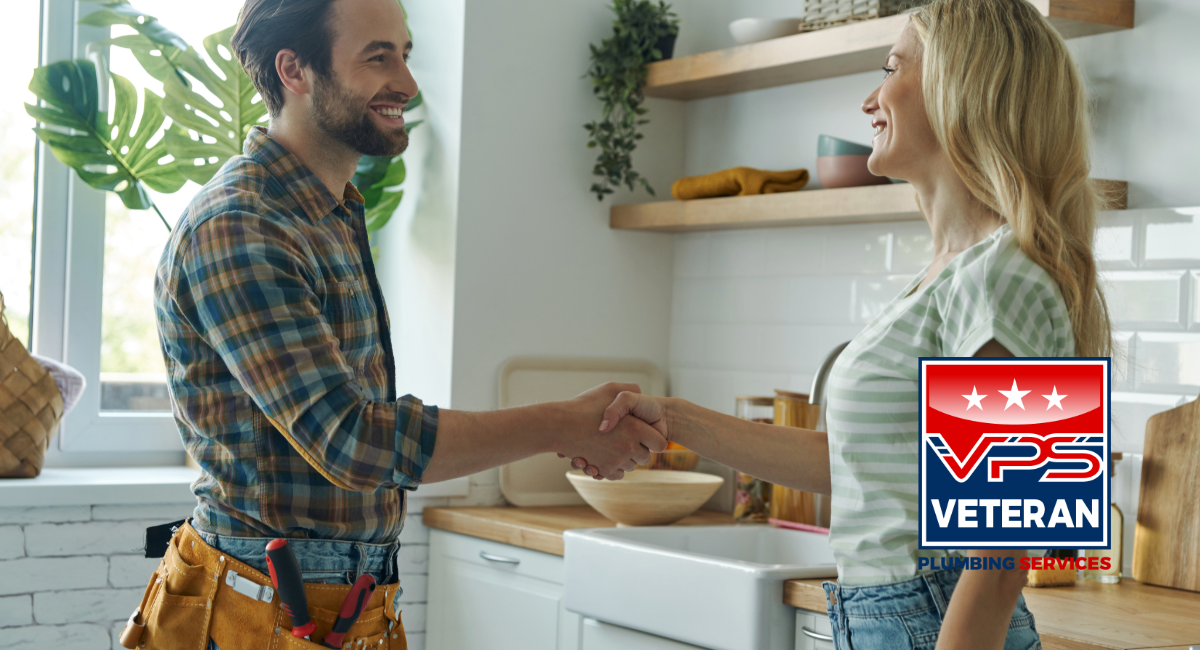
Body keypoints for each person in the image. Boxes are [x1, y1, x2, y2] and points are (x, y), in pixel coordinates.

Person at [582, 1, 1113, 649]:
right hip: (894, 612)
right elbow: (857, 464)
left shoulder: (1000, 275)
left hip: (935, 621)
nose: (869, 99)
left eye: (892, 68)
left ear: (963, 86)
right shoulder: (949, 276)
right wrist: (675, 419)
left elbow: (1006, 550)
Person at [135, 0, 665, 648]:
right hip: (256, 609)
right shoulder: (241, 226)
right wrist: (560, 423)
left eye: (405, 54)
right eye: (377, 57)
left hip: (346, 608)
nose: (408, 85)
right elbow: (349, 439)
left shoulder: (330, 212)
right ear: (294, 70)